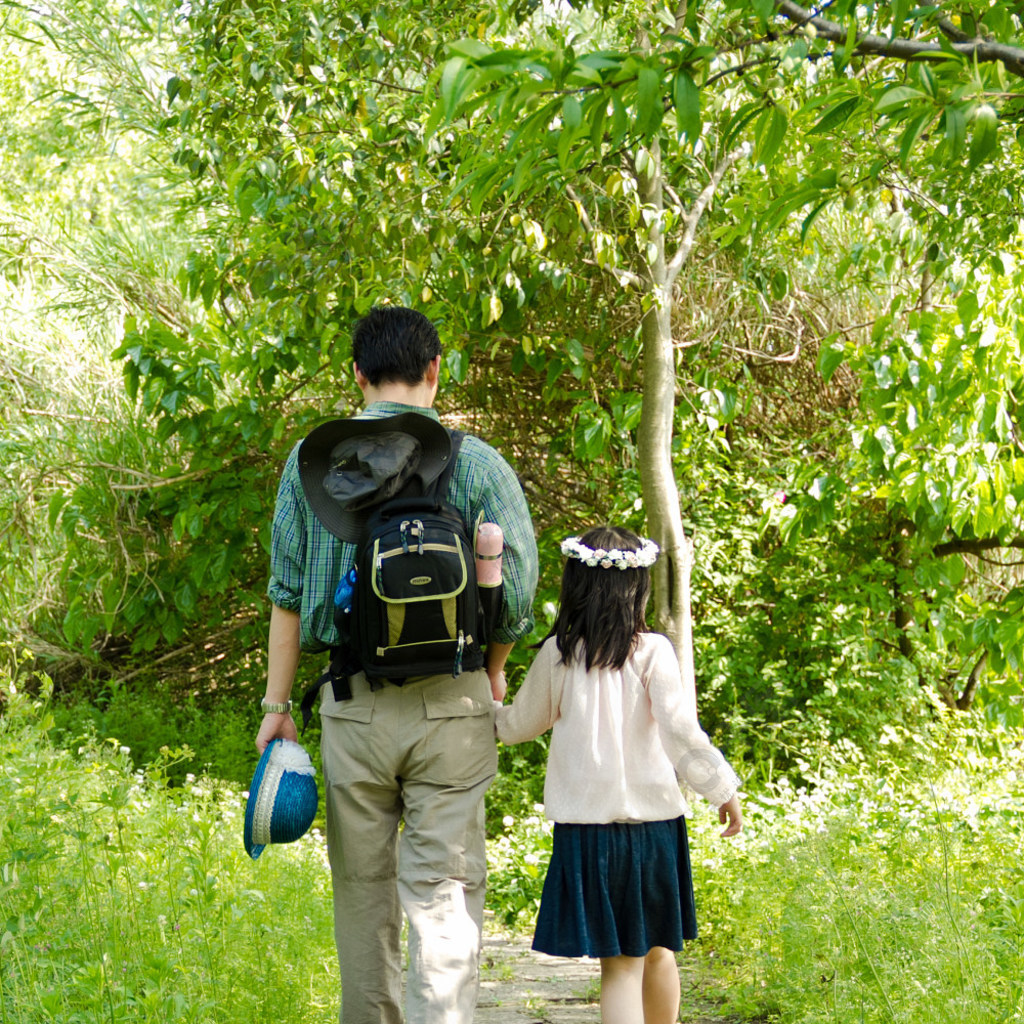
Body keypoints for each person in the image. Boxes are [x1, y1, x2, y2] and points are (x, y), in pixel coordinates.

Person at [256, 305, 539, 1024]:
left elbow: (287, 597)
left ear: (357, 375)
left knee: (363, 898)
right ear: (435, 370)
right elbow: (518, 598)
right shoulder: (477, 463)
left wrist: (277, 707)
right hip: (454, 706)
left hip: (353, 708)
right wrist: (494, 668)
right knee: (444, 898)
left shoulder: (313, 463)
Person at [494, 525, 742, 1024]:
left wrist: (489, 699)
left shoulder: (560, 655)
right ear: (637, 586)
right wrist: (722, 790)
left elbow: (517, 727)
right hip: (655, 829)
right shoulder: (653, 651)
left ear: (575, 584)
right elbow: (680, 732)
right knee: (658, 951)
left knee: (621, 967)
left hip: (590, 832)